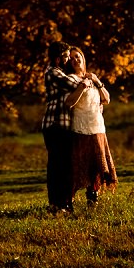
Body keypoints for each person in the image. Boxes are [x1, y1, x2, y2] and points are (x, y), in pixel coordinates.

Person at [64, 46, 118, 207]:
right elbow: (69, 102)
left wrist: (97, 81)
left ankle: (92, 199)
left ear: (83, 57)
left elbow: (107, 100)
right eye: (71, 58)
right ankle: (68, 202)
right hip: (81, 127)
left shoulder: (92, 78)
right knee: (79, 165)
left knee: (96, 165)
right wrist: (83, 85)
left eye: (77, 56)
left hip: (98, 127)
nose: (75, 59)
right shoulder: (72, 79)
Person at [41, 41, 83, 214]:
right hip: (55, 124)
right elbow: (74, 85)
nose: (68, 60)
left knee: (62, 165)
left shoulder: (57, 71)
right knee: (58, 165)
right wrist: (86, 81)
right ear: (58, 59)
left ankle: (62, 203)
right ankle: (58, 204)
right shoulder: (53, 73)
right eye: (66, 56)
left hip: (61, 125)